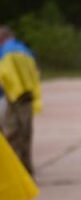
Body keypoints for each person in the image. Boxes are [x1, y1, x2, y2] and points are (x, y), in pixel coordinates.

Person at [0, 26, 42, 175]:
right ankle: (26, 168)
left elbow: (5, 75)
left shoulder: (5, 52)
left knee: (11, 133)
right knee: (25, 133)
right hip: (27, 95)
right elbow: (36, 70)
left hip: (13, 95)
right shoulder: (24, 50)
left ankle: (14, 171)